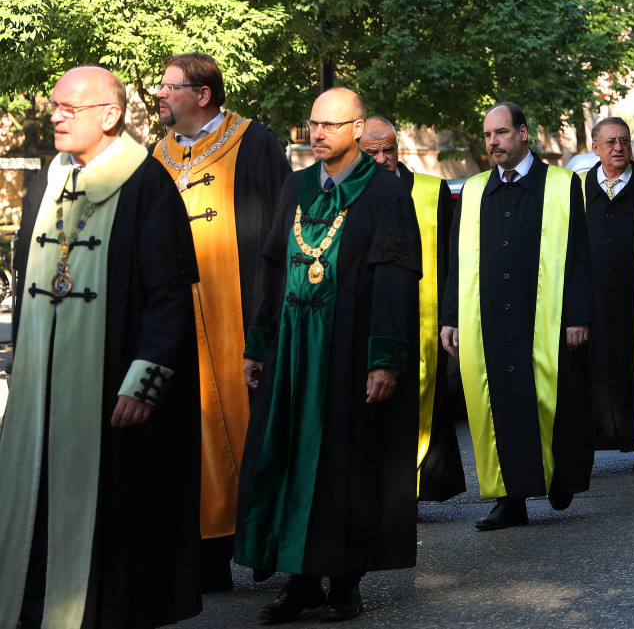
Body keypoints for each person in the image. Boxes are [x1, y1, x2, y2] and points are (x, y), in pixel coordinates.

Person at [0, 66, 202, 629]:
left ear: (109, 116)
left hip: (112, 388)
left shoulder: (147, 185)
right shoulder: (48, 180)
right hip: (41, 389)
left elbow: (169, 296)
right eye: (55, 107)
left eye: (70, 108)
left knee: (112, 517)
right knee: (33, 504)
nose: (56, 117)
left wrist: (145, 381)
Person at [237, 88, 423, 623]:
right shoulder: (295, 185)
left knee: (344, 463)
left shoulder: (387, 192)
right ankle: (299, 579)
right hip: (294, 350)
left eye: (330, 125)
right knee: (288, 458)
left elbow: (395, 280)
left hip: (345, 349)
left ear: (358, 130)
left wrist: (385, 358)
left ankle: (344, 582)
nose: (317, 134)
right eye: (313, 123)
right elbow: (273, 267)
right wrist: (258, 343)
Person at [152, 52, 291, 592]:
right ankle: (204, 556)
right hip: (179, 319)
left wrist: (271, 313)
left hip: (243, 313)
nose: (160, 95)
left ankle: (263, 541)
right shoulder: (158, 152)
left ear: (203, 94)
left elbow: (282, 231)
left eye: (170, 87)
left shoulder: (253, 142)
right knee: (192, 431)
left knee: (254, 426)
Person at [440, 102, 594, 530]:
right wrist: (450, 316)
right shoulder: (473, 191)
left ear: (524, 133)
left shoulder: (562, 185)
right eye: (488, 135)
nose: (493, 142)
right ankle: (512, 499)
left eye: (501, 133)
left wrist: (577, 315)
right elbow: (457, 261)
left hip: (543, 312)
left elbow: (581, 254)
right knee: (501, 407)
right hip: (490, 315)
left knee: (556, 399)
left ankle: (559, 478)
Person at [361, 116, 465, 503]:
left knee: (417, 402)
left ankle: (412, 486)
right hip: (366, 319)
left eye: (389, 149)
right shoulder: (344, 192)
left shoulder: (430, 191)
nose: (383, 158)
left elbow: (451, 260)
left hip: (422, 317)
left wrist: (449, 318)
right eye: (372, 152)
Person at [584, 117, 634, 468]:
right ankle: (588, 443)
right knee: (592, 370)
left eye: (624, 141)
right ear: (595, 148)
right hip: (592, 298)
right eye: (610, 142)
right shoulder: (577, 187)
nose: (618, 148)